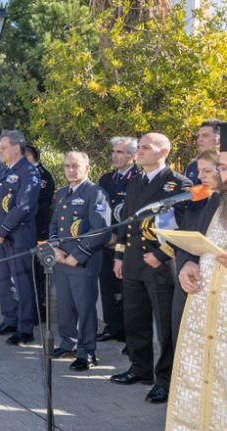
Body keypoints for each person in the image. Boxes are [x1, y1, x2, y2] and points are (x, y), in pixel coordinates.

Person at [111, 132, 192, 404]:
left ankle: (165, 380)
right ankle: (140, 368)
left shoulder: (178, 183)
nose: (140, 151)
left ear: (164, 151)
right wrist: (119, 256)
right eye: (140, 148)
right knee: (135, 318)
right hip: (134, 261)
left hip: (160, 264)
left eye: (146, 147)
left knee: (165, 326)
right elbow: (128, 221)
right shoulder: (136, 180)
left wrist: (162, 254)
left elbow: (182, 226)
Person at [164, 142, 227, 431]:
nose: (222, 176)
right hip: (204, 320)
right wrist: (188, 263)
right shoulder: (218, 200)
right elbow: (196, 239)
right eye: (223, 168)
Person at [48, 152, 111, 370]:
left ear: (87, 168)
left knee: (85, 308)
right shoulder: (63, 193)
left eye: (76, 166)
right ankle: (68, 343)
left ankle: (87, 352)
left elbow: (101, 230)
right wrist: (55, 247)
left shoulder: (95, 193)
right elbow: (55, 223)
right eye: (67, 166)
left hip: (83, 262)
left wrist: (78, 255)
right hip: (62, 260)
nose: (71, 170)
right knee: (65, 306)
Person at [0, 130, 40, 345]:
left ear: (17, 148)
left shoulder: (28, 171)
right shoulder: (2, 171)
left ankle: (25, 328)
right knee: (5, 279)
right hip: (1, 235)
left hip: (19, 235)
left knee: (22, 281)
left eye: (3, 147)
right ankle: (10, 319)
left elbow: (23, 206)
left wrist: (2, 230)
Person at [171, 148, 219, 347]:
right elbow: (186, 237)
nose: (200, 176)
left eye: (206, 171)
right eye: (199, 171)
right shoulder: (199, 201)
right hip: (191, 281)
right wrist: (186, 263)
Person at [97, 137, 141, 344]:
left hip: (129, 242)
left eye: (120, 152)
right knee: (107, 286)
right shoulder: (106, 179)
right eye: (113, 151)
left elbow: (136, 215)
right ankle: (111, 326)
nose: (115, 156)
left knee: (127, 291)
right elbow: (99, 210)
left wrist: (120, 236)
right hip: (107, 241)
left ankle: (127, 332)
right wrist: (107, 235)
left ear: (132, 156)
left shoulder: (138, 179)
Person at [24, 143, 56, 320]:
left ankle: (40, 308)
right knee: (26, 270)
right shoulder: (22, 173)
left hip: (39, 229)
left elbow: (43, 203)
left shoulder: (44, 175)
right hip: (25, 230)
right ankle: (29, 306)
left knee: (39, 270)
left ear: (32, 156)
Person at [183, 119, 220, 185]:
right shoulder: (192, 166)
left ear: (219, 139)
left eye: (205, 135)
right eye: (199, 136)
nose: (199, 140)